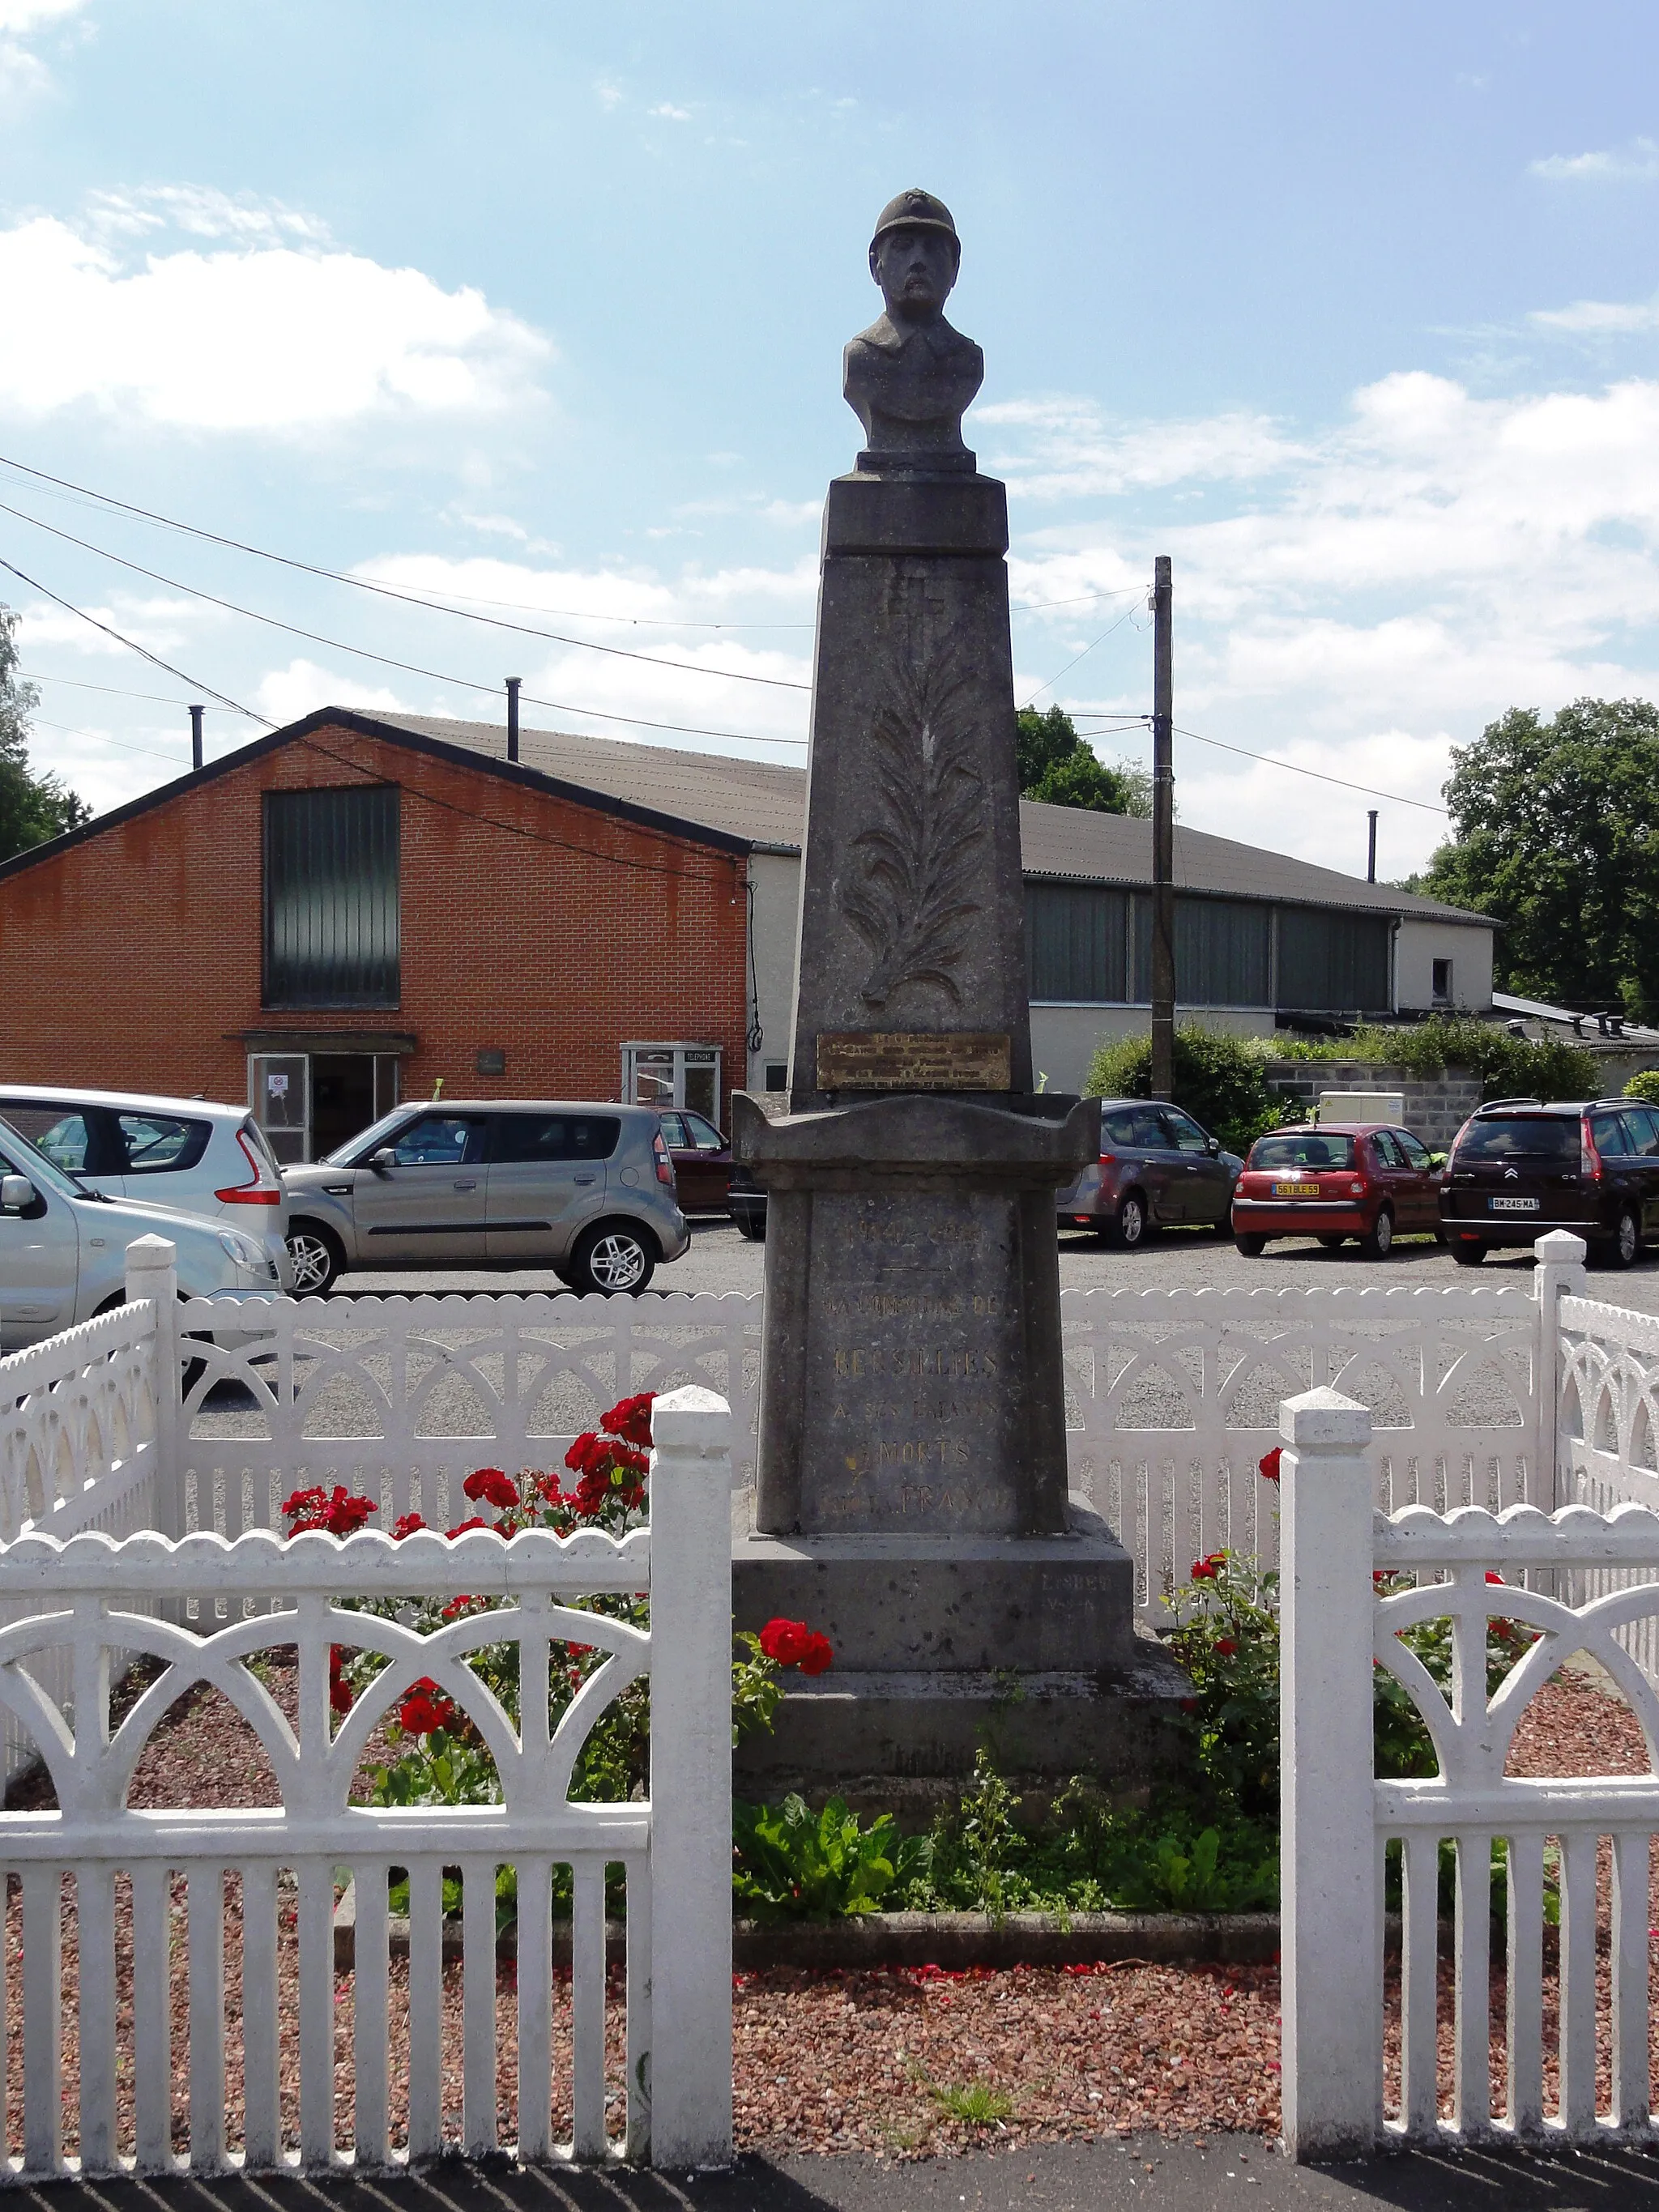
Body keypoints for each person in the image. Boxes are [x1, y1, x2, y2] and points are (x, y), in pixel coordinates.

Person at [843, 189, 983, 468]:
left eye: (932, 248)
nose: (918, 261)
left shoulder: (967, 360)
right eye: (903, 246)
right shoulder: (861, 358)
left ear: (954, 267)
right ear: (876, 265)